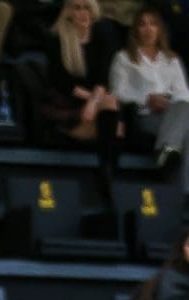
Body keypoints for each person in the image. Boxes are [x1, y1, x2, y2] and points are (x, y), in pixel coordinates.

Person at [42, 0, 123, 196]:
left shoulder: (102, 35)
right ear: (68, 11)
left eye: (87, 7)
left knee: (114, 112)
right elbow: (61, 81)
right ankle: (109, 177)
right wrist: (92, 100)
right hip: (67, 100)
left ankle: (107, 174)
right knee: (116, 125)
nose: (82, 12)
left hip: (96, 100)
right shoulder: (57, 37)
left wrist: (94, 101)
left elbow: (104, 75)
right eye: (76, 7)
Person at [111, 7, 189, 186]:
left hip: (172, 112)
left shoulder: (172, 59)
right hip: (144, 114)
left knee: (184, 106)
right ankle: (183, 192)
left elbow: (183, 93)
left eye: (153, 24)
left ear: (159, 29)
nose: (148, 29)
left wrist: (166, 101)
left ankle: (167, 151)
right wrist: (147, 98)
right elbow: (118, 91)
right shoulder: (123, 58)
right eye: (143, 24)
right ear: (136, 30)